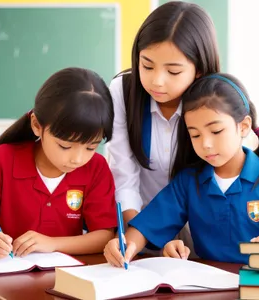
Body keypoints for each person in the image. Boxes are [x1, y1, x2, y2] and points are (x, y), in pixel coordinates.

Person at [103, 73, 259, 265]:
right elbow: (148, 226)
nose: (206, 144)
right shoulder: (189, 181)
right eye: (195, 135)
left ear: (244, 126)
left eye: (216, 131)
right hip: (208, 286)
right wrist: (126, 244)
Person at [106, 1, 220, 254]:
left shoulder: (216, 102)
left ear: (199, 70)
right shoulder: (123, 92)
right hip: (139, 230)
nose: (156, 81)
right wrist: (138, 237)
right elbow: (124, 177)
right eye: (147, 65)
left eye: (173, 71)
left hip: (202, 236)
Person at [0, 67, 117, 259]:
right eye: (65, 146)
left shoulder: (96, 167)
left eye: (91, 147)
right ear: (37, 125)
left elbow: (104, 236)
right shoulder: (3, 159)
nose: (77, 159)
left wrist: (52, 244)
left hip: (67, 279)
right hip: (7, 278)